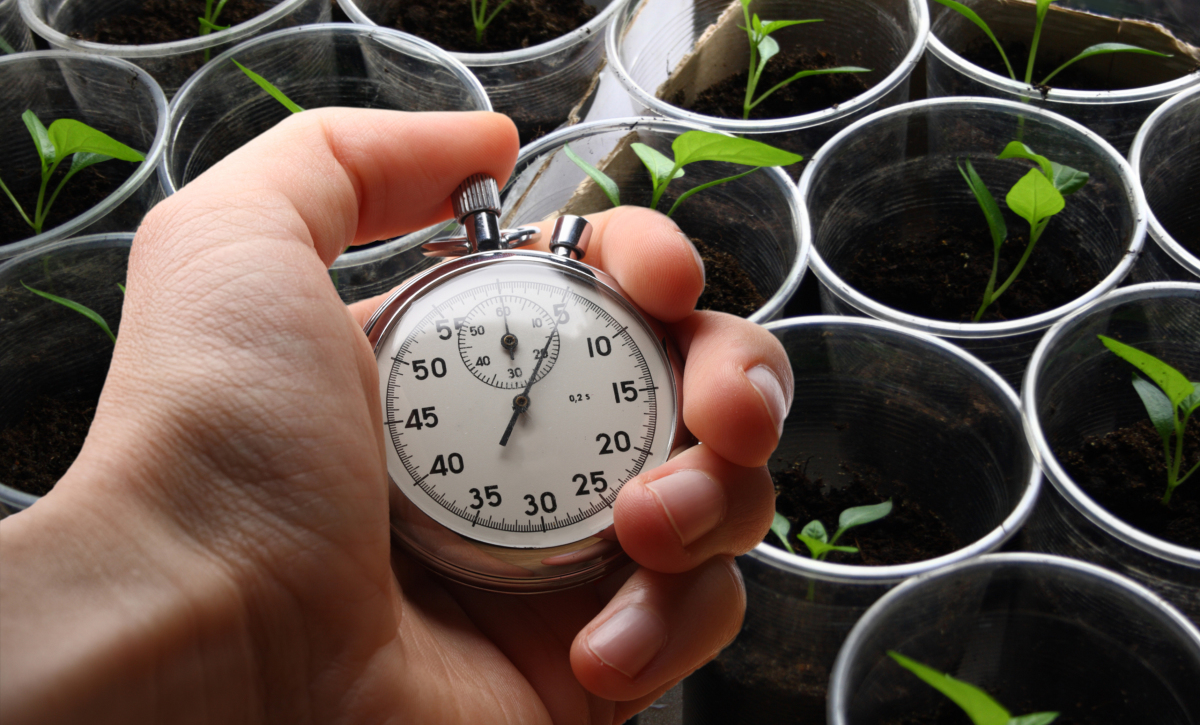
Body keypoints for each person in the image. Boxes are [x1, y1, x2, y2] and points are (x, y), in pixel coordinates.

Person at [0, 110, 793, 725]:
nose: (519, 395)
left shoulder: (578, 323)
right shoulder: (395, 351)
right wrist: (212, 560)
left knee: (685, 410)